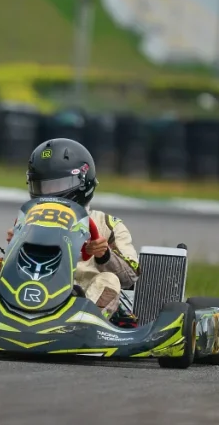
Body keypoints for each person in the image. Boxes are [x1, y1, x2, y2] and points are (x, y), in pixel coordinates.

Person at [7, 138, 140, 327]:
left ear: (83, 183)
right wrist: (15, 243)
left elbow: (130, 277)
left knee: (109, 280)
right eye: (43, 186)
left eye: (58, 186)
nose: (50, 194)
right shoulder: (29, 220)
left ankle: (79, 325)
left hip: (84, 297)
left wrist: (105, 255)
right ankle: (6, 314)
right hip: (36, 287)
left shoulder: (108, 225)